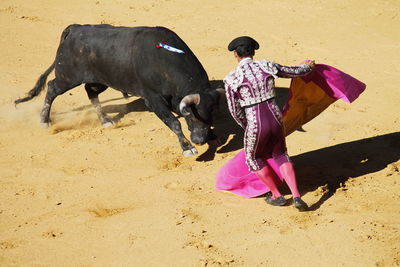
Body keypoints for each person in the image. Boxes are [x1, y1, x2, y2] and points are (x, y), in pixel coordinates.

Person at [223, 36, 315, 211]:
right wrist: (308, 66)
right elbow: (295, 71)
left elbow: (235, 111)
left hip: (255, 123)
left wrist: (249, 127)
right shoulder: (267, 66)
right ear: (254, 52)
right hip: (276, 118)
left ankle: (276, 195)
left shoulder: (232, 78)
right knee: (281, 154)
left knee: (253, 158)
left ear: (235, 54)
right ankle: (296, 195)